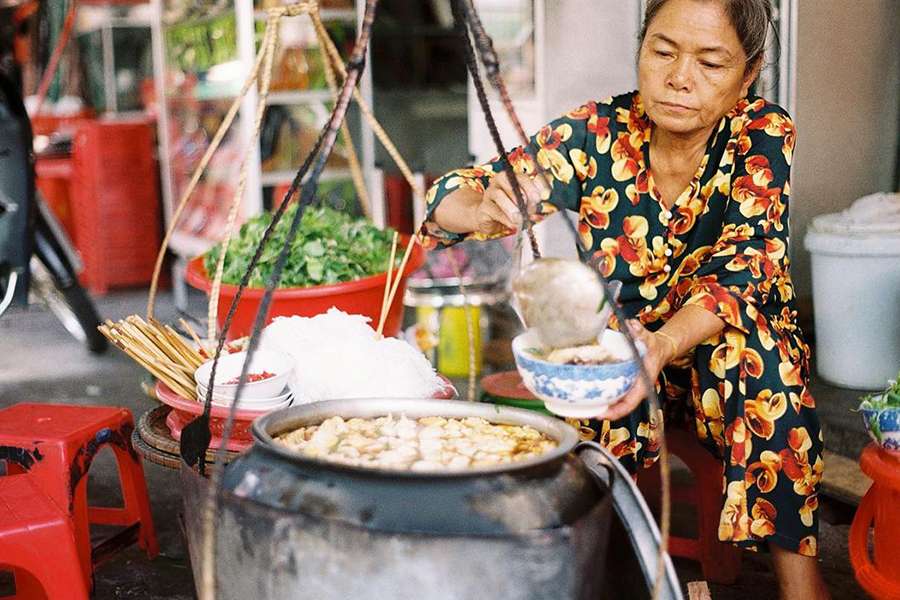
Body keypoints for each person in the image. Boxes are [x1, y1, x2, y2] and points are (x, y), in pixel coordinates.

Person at [419, 0, 829, 598]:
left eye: (711, 63)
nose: (679, 77)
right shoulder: (596, 133)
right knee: (580, 382)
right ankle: (581, 566)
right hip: (628, 354)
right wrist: (485, 206)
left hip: (718, 350)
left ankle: (801, 584)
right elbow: (447, 198)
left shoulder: (762, 134)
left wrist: (662, 344)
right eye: (662, 51)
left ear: (749, 73)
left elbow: (745, 267)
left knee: (760, 361)